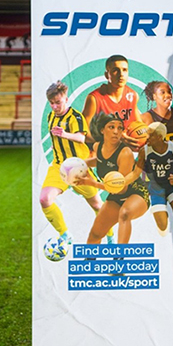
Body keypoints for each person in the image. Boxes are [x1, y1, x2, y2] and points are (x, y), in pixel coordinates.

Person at [39, 81, 113, 247]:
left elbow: (81, 137)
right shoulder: (51, 116)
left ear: (66, 99)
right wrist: (57, 144)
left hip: (78, 168)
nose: (54, 107)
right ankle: (65, 235)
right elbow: (57, 139)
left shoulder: (75, 117)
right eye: (51, 103)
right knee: (45, 199)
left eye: (58, 102)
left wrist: (64, 134)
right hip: (59, 166)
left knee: (97, 205)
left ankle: (110, 237)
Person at [77, 113, 149, 244]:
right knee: (95, 234)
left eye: (120, 128)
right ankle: (90, 257)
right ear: (102, 130)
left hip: (136, 192)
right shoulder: (98, 147)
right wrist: (81, 164)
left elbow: (120, 189)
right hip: (116, 196)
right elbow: (100, 161)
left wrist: (91, 183)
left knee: (124, 213)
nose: (116, 131)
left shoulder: (125, 153)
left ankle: (120, 254)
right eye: (111, 127)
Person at [130, 122, 173, 261]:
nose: (147, 138)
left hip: (172, 186)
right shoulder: (144, 151)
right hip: (156, 188)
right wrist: (122, 182)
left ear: (159, 137)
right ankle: (163, 211)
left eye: (150, 135)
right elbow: (135, 173)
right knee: (163, 227)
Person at [82, 55, 142, 136]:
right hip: (102, 142)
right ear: (107, 75)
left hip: (126, 141)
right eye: (115, 70)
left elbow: (139, 125)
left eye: (124, 70)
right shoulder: (94, 99)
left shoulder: (133, 95)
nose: (121, 74)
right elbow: (83, 132)